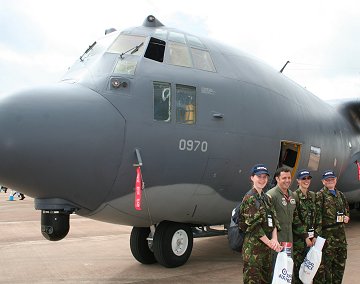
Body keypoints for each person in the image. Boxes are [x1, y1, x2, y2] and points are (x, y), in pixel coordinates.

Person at [239, 164, 282, 283]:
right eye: (259, 176)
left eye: (265, 177)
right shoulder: (249, 198)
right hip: (253, 251)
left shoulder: (266, 198)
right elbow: (254, 226)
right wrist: (270, 243)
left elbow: (274, 220)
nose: (262, 180)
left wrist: (274, 239)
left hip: (266, 251)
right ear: (252, 178)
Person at [313, 170, 350, 283]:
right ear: (323, 182)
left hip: (340, 236)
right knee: (326, 268)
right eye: (327, 180)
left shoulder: (340, 195)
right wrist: (317, 237)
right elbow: (317, 217)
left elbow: (346, 209)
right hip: (327, 237)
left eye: (332, 179)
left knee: (340, 264)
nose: (330, 181)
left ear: (336, 180)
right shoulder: (320, 195)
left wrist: (346, 217)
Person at [292, 169, 317, 284]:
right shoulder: (294, 196)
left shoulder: (312, 196)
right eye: (303, 179)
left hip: (312, 239)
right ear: (298, 181)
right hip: (300, 241)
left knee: (310, 270)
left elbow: (317, 217)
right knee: (299, 271)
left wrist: (315, 235)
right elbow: (295, 219)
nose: (306, 181)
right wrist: (306, 237)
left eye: (308, 178)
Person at [267, 167, 296, 245]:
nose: (287, 180)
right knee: (277, 257)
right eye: (284, 178)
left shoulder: (292, 195)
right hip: (276, 237)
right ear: (277, 179)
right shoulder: (271, 195)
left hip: (289, 236)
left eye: (289, 178)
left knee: (288, 257)